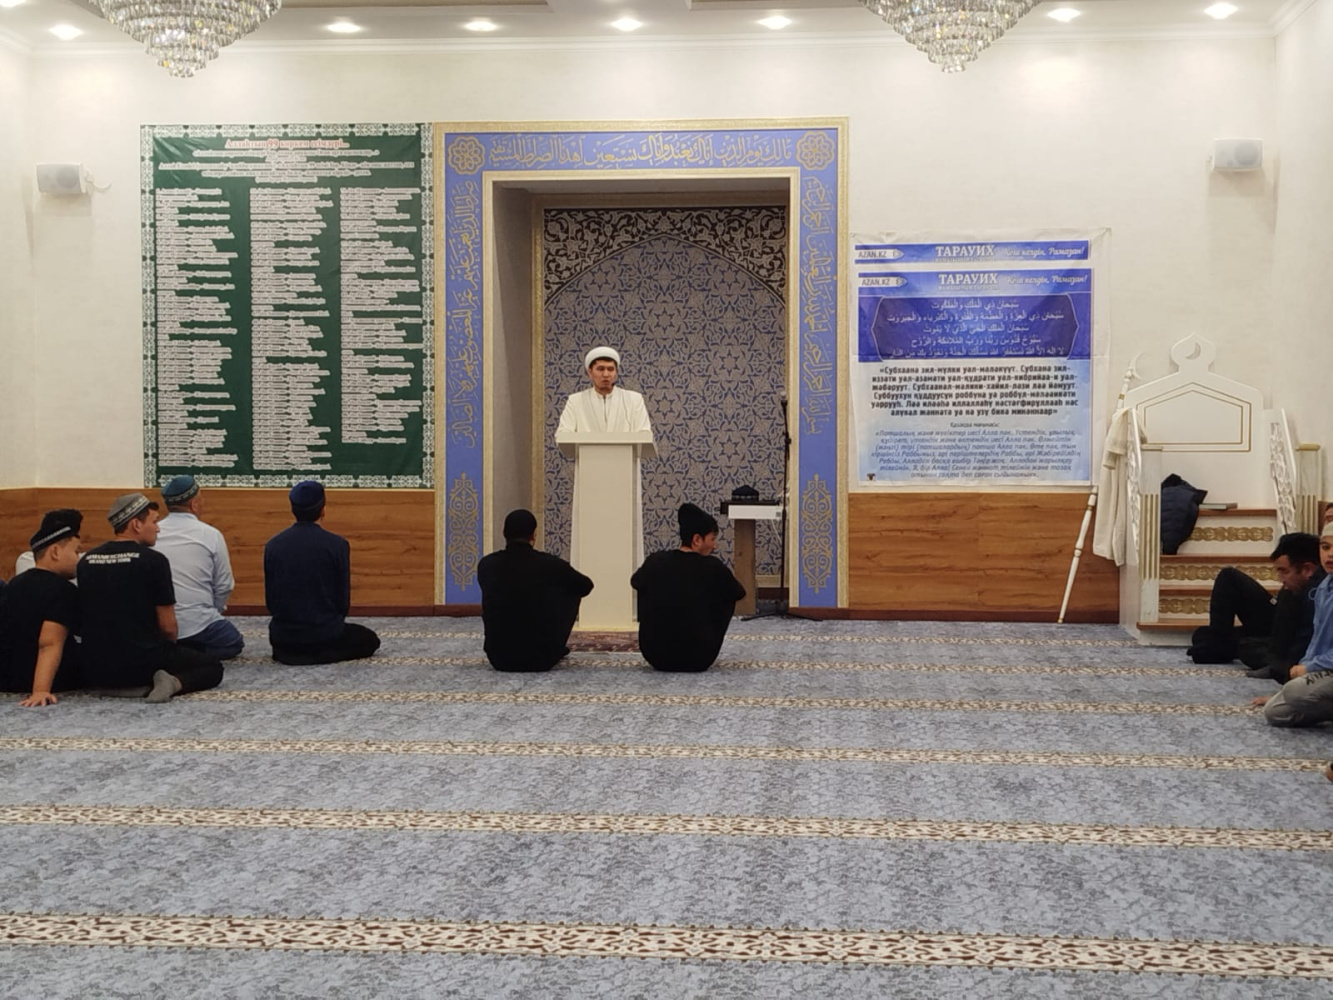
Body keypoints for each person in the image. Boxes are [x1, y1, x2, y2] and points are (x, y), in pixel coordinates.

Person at [78, 493, 224, 702]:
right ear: (136, 524)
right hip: (142, 664)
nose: (158, 528)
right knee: (212, 666)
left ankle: (121, 687)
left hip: (96, 668)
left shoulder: (86, 561)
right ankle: (172, 683)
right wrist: (168, 654)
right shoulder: (153, 561)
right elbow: (168, 627)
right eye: (154, 521)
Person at [263, 480, 380, 665]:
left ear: (292, 509)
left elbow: (271, 600)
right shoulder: (337, 545)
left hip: (284, 639)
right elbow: (342, 602)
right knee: (369, 640)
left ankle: (300, 655)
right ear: (323, 510)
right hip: (324, 635)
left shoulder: (273, 546)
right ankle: (318, 654)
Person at [557, 346, 654, 569]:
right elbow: (563, 434)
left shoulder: (633, 400)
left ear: (616, 372)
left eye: (610, 369)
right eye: (600, 369)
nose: (606, 374)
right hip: (590, 483)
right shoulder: (576, 401)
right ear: (589, 372)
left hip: (624, 481)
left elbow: (644, 433)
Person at [1188, 532, 1324, 679]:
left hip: (1291, 645)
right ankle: (1217, 643)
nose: (1281, 580)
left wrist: (1281, 667)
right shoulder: (1297, 586)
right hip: (1275, 629)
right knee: (1228, 578)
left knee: (1245, 647)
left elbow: (1305, 640)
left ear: (1307, 569)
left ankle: (1218, 646)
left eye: (1285, 572)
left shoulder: (1322, 591)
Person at [631, 502, 746, 672]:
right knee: (726, 594)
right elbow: (738, 593)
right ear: (697, 540)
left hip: (655, 655)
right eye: (712, 539)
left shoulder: (656, 561)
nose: (714, 545)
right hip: (699, 657)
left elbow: (635, 582)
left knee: (646, 585)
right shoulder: (713, 567)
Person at [477, 508, 594, 672]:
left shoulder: (487, 565)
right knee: (570, 589)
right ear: (533, 535)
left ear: (504, 533)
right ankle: (554, 643)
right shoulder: (551, 565)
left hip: (499, 657)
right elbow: (585, 586)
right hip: (542, 658)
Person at [155, 475, 244, 660]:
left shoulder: (153, 534)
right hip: (199, 623)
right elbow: (224, 585)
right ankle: (190, 655)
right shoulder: (210, 535)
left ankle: (171, 652)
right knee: (234, 642)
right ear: (194, 504)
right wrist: (213, 612)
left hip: (159, 624)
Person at [0, 510, 84, 707]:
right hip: (54, 682)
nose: (78, 559)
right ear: (55, 552)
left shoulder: (14, 584)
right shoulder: (63, 590)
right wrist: (40, 690)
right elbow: (50, 643)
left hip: (9, 681)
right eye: (76, 552)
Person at [1254, 521, 1333, 728]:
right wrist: (1305, 671)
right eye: (1325, 547)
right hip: (1327, 668)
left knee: (1295, 692)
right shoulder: (1323, 588)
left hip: (1327, 667)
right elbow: (1316, 641)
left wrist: (1309, 669)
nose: (1330, 554)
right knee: (1275, 711)